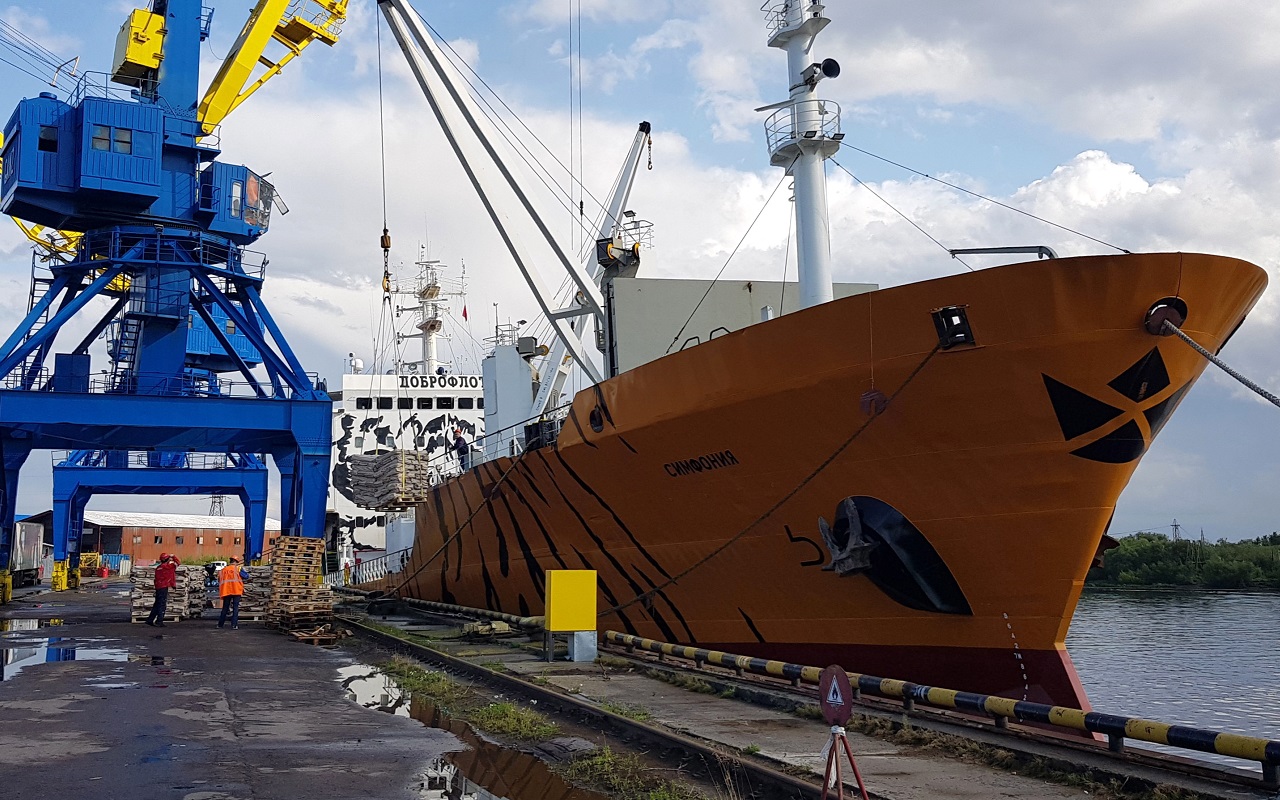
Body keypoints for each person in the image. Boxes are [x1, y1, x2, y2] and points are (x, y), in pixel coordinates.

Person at [146, 553, 180, 627]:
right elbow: (178, 563)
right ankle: (159, 621)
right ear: (167, 559)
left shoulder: (158, 568)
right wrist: (173, 556)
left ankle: (150, 619)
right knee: (162, 604)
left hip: (158, 587)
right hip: (164, 587)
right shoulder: (168, 567)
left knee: (157, 604)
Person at [217, 557, 248, 630]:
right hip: (236, 590)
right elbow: (246, 576)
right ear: (236, 562)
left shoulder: (223, 570)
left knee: (225, 608)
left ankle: (220, 625)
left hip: (226, 591)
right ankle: (234, 625)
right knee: (235, 608)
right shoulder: (238, 569)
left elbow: (219, 579)